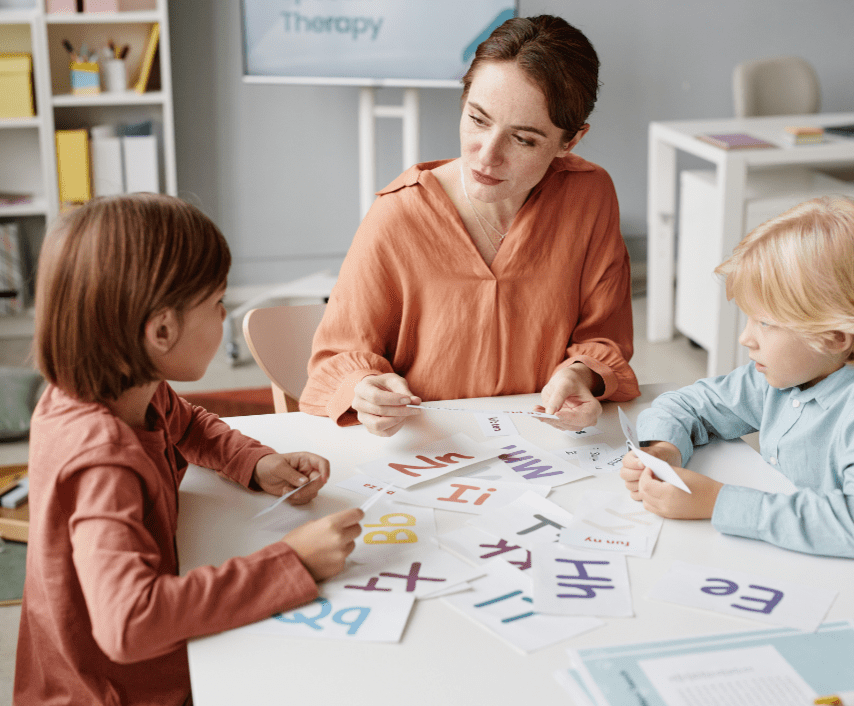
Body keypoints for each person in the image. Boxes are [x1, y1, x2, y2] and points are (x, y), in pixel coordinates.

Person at [15, 194, 364, 705]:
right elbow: (129, 623)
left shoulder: (121, 387)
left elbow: (189, 425)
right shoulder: (104, 460)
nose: (224, 316)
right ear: (161, 331)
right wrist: (293, 562)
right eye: (218, 303)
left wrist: (255, 462)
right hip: (106, 692)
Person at [301, 15, 640, 436]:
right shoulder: (399, 215)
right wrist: (365, 390)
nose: (486, 156)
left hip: (544, 444)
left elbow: (604, 337)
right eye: (478, 120)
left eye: (524, 139)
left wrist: (580, 376)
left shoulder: (589, 196)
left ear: (569, 141)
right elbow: (338, 361)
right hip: (428, 446)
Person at [620, 196, 854, 588]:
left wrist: (716, 501)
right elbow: (687, 405)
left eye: (766, 323)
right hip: (791, 572)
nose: (746, 337)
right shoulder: (786, 374)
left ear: (833, 335)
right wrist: (664, 448)